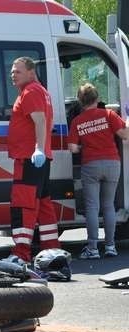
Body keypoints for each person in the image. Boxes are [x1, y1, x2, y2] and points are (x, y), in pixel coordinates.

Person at [5, 57, 60, 265]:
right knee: (43, 205)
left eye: (17, 71)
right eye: (12, 71)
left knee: (23, 205)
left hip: (29, 158)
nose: (13, 74)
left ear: (31, 72)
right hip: (39, 159)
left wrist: (37, 148)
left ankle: (20, 255)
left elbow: (40, 121)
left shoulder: (31, 92)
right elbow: (46, 121)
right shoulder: (40, 91)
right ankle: (52, 251)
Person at [68, 83, 129, 259]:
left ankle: (93, 248)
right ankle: (110, 246)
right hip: (112, 163)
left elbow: (72, 148)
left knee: (92, 207)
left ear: (80, 101)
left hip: (90, 165)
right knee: (109, 205)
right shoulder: (109, 114)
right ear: (97, 98)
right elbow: (125, 135)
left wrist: (83, 147)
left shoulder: (77, 121)